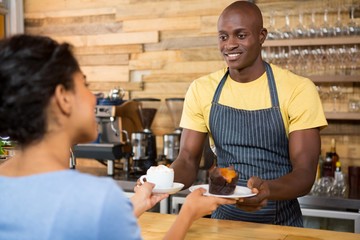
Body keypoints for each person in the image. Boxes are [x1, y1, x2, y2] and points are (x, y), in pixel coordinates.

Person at [0, 34, 236, 240]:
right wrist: (188, 213)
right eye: (85, 85)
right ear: (63, 98)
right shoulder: (96, 198)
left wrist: (135, 204)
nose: (94, 98)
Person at [170, 1, 328, 227]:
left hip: (280, 225)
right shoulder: (202, 89)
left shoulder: (297, 89)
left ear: (262, 36)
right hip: (222, 224)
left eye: (241, 35)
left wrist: (268, 190)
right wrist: (160, 182)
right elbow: (186, 159)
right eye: (223, 37)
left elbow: (305, 172)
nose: (230, 45)